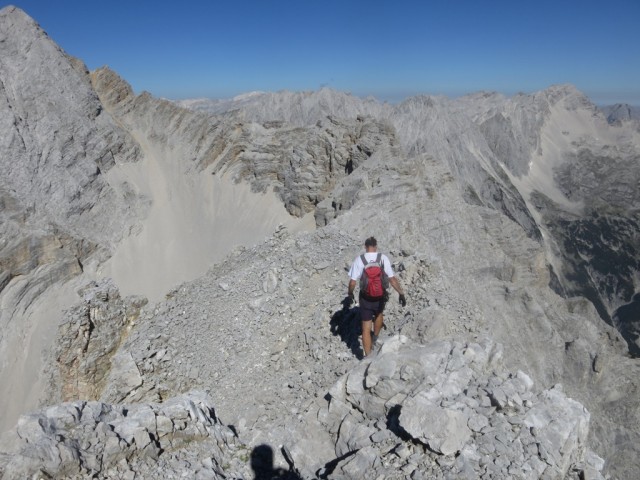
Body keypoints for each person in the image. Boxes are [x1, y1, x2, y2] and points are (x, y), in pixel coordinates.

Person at [346, 236, 406, 357]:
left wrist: (350, 293)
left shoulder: (360, 259)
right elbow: (392, 279)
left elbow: (352, 282)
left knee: (365, 328)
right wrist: (401, 293)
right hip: (380, 296)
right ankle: (376, 337)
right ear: (376, 247)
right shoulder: (383, 258)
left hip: (365, 298)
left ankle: (367, 356)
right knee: (379, 314)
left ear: (365, 247)